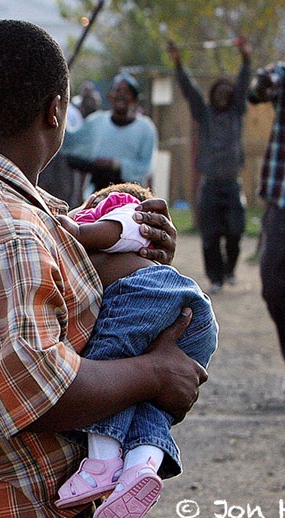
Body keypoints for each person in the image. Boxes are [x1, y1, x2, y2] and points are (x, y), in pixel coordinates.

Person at [0, 19, 207, 517]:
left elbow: (55, 251)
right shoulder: (4, 237)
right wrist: (154, 374)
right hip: (13, 503)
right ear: (55, 111)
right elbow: (44, 394)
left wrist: (136, 255)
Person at [54, 182, 217, 515]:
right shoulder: (134, 252)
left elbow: (117, 228)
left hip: (153, 296)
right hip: (186, 315)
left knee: (106, 359)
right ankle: (140, 470)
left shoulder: (123, 209)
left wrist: (75, 229)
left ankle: (102, 463)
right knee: (145, 401)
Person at [167, 37, 252, 295]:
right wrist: (178, 64)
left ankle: (230, 270)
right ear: (213, 96)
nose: (224, 96)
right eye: (219, 93)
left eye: (228, 93)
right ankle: (215, 277)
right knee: (210, 235)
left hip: (232, 185)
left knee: (236, 230)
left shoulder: (237, 114)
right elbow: (189, 89)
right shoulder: (204, 115)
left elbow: (244, 84)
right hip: (210, 186)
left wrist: (246, 59)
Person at [248, 59, 285, 393]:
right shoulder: (282, 74)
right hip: (281, 203)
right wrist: (262, 85)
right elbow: (262, 85)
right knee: (273, 286)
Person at [66, 74, 157, 193]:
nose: (121, 95)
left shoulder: (145, 128)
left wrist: (116, 164)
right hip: (98, 192)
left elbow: (146, 167)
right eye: (117, 91)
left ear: (135, 99)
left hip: (129, 194)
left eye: (126, 92)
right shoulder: (97, 121)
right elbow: (71, 144)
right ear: (110, 96)